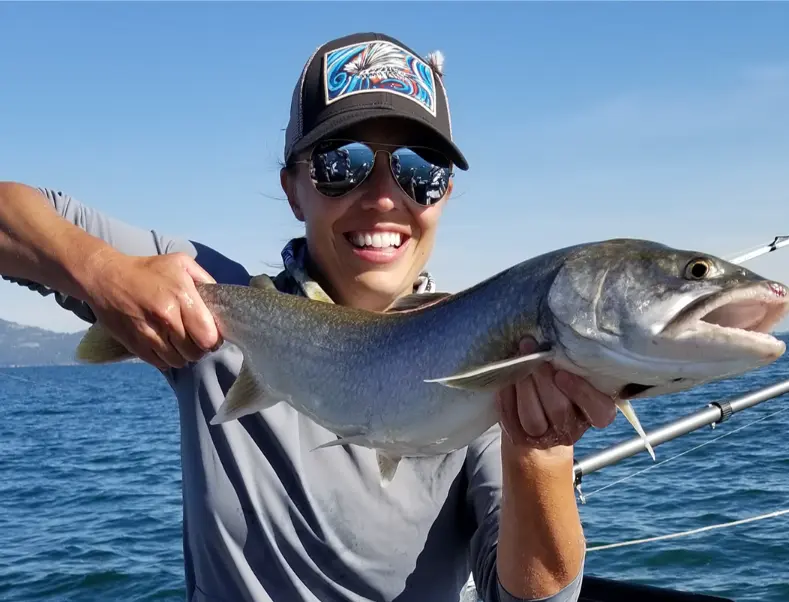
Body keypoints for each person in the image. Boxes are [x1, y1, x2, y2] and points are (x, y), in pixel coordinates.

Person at [0, 32, 616, 602]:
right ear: (293, 187)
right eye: (341, 163)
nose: (382, 196)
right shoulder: (215, 294)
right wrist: (103, 272)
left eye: (420, 170)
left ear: (445, 194)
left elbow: (534, 597)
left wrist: (540, 455)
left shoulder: (491, 357)